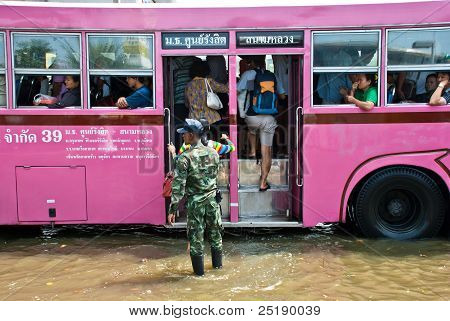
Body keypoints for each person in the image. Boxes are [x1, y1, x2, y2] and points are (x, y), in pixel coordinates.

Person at [167, 119, 222, 276]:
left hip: (196, 203)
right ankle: (218, 271)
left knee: (196, 240)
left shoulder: (185, 158)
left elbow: (178, 186)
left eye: (184, 133)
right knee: (216, 236)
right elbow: (214, 176)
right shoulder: (214, 153)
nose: (182, 136)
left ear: (191, 135)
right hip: (213, 201)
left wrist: (173, 209)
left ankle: (199, 277)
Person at [237, 56, 285, 191]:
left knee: (251, 130)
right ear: (263, 62)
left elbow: (236, 91)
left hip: (252, 117)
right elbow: (282, 96)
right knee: (266, 151)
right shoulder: (272, 75)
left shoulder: (248, 74)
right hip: (269, 118)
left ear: (251, 62)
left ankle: (252, 151)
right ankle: (263, 182)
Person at [185, 60, 228, 136]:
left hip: (194, 120)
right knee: (213, 142)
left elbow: (187, 104)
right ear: (206, 70)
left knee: (197, 143)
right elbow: (226, 89)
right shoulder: (208, 82)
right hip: (211, 119)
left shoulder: (188, 85)